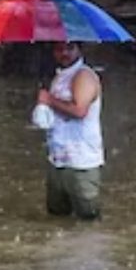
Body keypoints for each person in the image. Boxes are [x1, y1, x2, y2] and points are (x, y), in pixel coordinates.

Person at [35, 41, 104, 220]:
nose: (64, 52)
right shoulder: (60, 76)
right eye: (59, 49)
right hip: (58, 159)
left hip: (82, 163)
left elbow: (80, 111)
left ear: (79, 49)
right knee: (57, 218)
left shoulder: (84, 76)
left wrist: (49, 100)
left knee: (88, 220)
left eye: (70, 47)